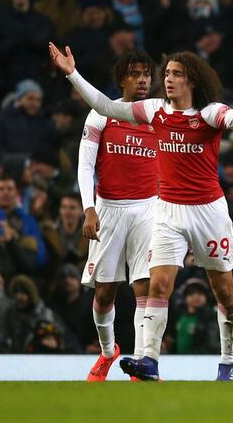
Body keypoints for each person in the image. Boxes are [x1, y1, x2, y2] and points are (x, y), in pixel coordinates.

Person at [49, 42, 233, 381]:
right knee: (158, 285)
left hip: (208, 212)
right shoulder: (155, 111)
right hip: (166, 211)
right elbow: (105, 105)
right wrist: (72, 74)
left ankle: (227, 362)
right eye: (166, 74)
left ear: (192, 80)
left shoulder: (209, 114)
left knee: (224, 291)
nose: (168, 80)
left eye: (176, 75)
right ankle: (148, 361)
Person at [78, 51, 159, 381]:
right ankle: (108, 351)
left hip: (149, 208)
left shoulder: (158, 115)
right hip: (109, 208)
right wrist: (89, 207)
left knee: (145, 286)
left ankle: (140, 363)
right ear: (122, 80)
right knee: (105, 293)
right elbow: (85, 165)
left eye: (146, 74)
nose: (143, 80)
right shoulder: (101, 114)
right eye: (135, 74)